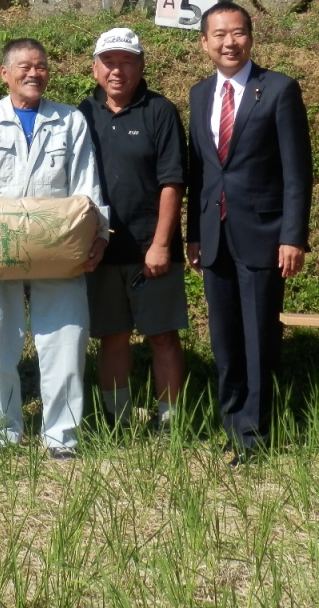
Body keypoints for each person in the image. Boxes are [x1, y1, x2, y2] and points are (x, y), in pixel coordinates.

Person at [0, 38, 109, 459]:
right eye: (23, 67)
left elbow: (86, 186)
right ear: (4, 74)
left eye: (41, 66)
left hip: (59, 248)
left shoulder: (69, 120)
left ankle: (62, 437)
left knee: (65, 341)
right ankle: (3, 433)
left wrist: (99, 234)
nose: (33, 73)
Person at [185, 2, 312, 461]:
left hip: (263, 234)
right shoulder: (199, 94)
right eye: (218, 35)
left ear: (250, 37)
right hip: (213, 238)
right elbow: (199, 171)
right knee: (224, 340)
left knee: (258, 339)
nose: (228, 43)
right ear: (204, 43)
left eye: (237, 33)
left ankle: (256, 437)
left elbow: (297, 172)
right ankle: (231, 425)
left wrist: (293, 236)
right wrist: (192, 234)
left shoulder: (277, 90)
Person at [79, 28, 189, 432]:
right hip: (100, 249)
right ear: (95, 68)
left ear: (141, 66)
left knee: (162, 336)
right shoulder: (81, 114)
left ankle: (171, 423)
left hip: (151, 250)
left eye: (127, 61)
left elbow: (172, 181)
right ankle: (118, 420)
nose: (117, 70)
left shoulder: (160, 111)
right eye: (109, 62)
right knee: (112, 336)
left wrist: (160, 244)